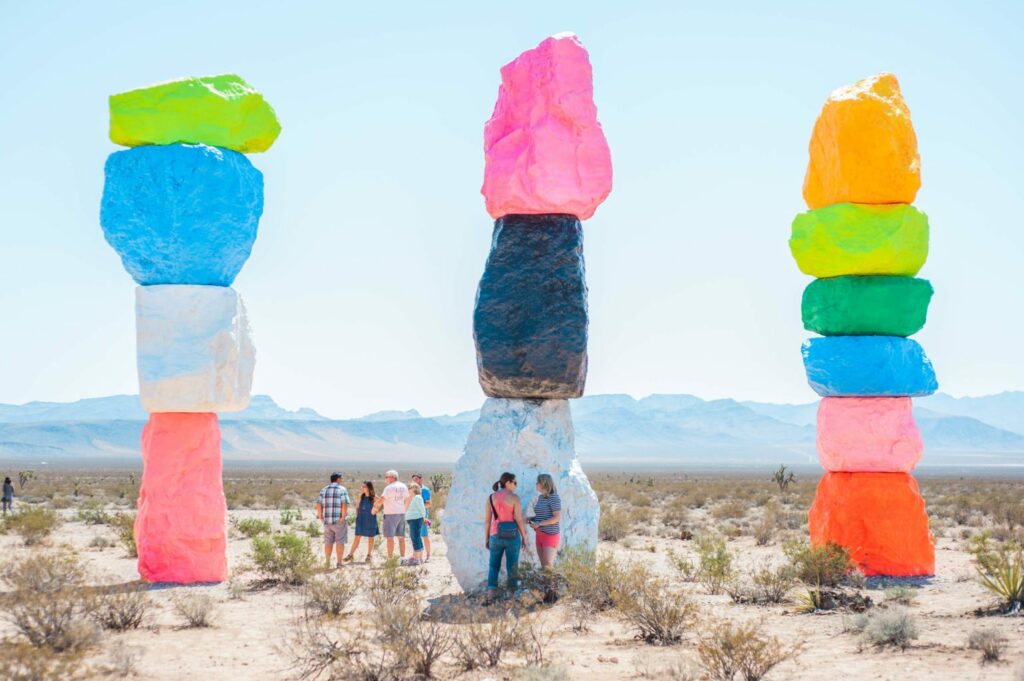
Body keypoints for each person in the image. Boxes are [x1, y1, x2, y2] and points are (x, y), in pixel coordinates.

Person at [483, 472, 528, 602]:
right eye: (514, 482)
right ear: (507, 482)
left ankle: (490, 595)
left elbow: (487, 520)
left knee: (493, 565)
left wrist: (486, 538)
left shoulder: (491, 498)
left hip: (495, 535)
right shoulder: (514, 498)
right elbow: (518, 519)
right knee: (512, 566)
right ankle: (512, 597)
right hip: (512, 535)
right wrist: (524, 536)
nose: (515, 485)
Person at [528, 473, 562, 602]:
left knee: (548, 564)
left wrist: (539, 524)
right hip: (539, 535)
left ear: (543, 484)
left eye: (537, 482)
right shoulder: (541, 498)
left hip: (550, 535)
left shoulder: (554, 498)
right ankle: (547, 594)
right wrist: (531, 520)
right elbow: (542, 516)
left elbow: (556, 517)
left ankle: (554, 594)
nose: (536, 484)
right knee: (543, 566)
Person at [315, 472, 350, 569]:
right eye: (341, 479)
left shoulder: (324, 489)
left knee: (328, 542)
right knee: (340, 541)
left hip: (327, 521)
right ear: (338, 479)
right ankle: (339, 563)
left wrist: (321, 517)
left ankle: (327, 562)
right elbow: (344, 504)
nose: (342, 480)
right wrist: (342, 517)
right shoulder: (342, 489)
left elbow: (318, 504)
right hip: (338, 521)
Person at [345, 481, 379, 563]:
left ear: (369, 488)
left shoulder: (375, 497)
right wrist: (357, 516)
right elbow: (357, 507)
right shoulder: (360, 496)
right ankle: (350, 555)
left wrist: (376, 511)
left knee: (371, 538)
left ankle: (369, 555)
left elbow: (382, 505)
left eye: (364, 486)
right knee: (357, 538)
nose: (362, 488)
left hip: (371, 519)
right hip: (361, 519)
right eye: (362, 486)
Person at [379, 469, 409, 560]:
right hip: (401, 513)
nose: (386, 479)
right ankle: (403, 557)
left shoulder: (389, 488)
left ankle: (390, 558)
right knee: (401, 537)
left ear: (392, 477)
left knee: (390, 537)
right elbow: (407, 499)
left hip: (390, 514)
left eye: (386, 477)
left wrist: (375, 507)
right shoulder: (403, 486)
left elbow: (382, 499)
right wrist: (404, 509)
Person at [402, 483, 427, 566]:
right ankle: (419, 557)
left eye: (410, 487)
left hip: (416, 520)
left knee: (415, 538)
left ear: (415, 489)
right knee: (416, 537)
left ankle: (417, 558)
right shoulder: (411, 498)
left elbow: (422, 508)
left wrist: (424, 517)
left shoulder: (417, 497)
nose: (408, 488)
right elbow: (405, 508)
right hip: (411, 520)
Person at [410, 473, 432, 562]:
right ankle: (417, 556)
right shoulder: (412, 491)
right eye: (413, 479)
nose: (414, 481)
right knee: (415, 536)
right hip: (413, 517)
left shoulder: (425, 490)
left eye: (416, 479)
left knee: (425, 536)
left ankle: (428, 555)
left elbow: (429, 504)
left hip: (423, 517)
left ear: (420, 479)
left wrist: (419, 505)